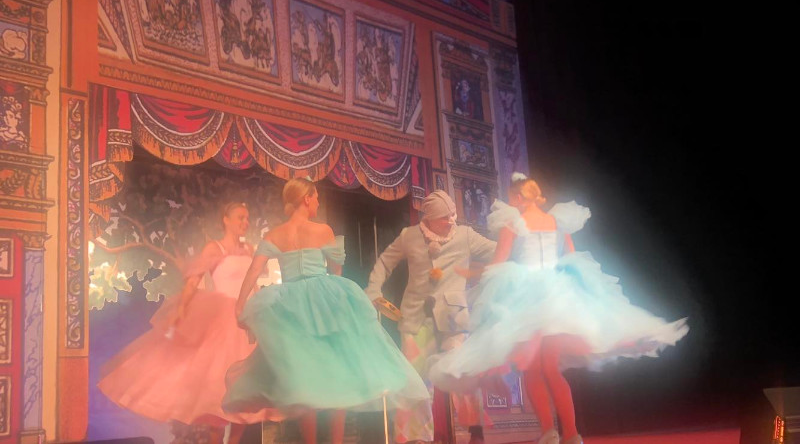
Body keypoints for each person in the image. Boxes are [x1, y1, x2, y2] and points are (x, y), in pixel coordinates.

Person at [429, 173, 689, 444]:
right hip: (557, 296)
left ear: (518, 197)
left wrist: (471, 273)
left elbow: (498, 263)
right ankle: (571, 434)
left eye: (511, 196)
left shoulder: (513, 223)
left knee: (533, 370)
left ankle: (549, 433)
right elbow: (572, 258)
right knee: (551, 368)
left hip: (527, 298)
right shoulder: (557, 221)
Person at [223, 177, 429, 444]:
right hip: (323, 301)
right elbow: (336, 270)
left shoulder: (274, 234)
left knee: (305, 378)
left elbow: (254, 270)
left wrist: (240, 305)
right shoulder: (324, 231)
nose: (318, 202)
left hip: (291, 306)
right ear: (306, 199)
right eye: (316, 197)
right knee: (339, 372)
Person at [98, 202, 278, 444]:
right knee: (217, 386)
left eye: (247, 218)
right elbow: (194, 280)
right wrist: (182, 306)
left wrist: (261, 310)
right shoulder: (215, 248)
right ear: (226, 219)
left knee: (247, 388)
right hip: (223, 319)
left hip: (247, 320)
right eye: (240, 217)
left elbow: (252, 284)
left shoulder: (248, 249)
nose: (245, 222)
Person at [365, 189, 496, 444]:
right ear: (430, 218)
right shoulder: (409, 236)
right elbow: (384, 262)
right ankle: (417, 439)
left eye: (453, 214)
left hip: (452, 319)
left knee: (461, 372)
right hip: (415, 320)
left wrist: (483, 277)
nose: (451, 220)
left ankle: (475, 432)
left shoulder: (465, 235)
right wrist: (373, 289)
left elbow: (497, 252)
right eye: (445, 217)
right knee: (414, 382)